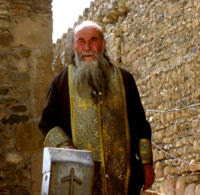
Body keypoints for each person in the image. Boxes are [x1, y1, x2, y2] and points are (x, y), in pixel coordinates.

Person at [39, 20, 155, 195]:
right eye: (81, 41)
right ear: (73, 46)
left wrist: (147, 164)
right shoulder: (61, 83)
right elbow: (47, 124)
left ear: (104, 44)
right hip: (78, 179)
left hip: (123, 178)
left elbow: (140, 125)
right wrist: (66, 147)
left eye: (93, 40)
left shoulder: (125, 80)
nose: (87, 47)